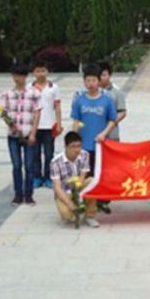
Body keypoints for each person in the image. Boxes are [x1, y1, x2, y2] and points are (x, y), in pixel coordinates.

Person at [1, 63, 41, 205]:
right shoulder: (8, 94)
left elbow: (37, 114)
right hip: (13, 136)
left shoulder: (34, 93)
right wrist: (10, 124)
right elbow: (3, 112)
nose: (17, 78)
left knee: (29, 166)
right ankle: (18, 194)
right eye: (15, 75)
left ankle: (29, 194)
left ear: (25, 76)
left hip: (28, 134)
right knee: (16, 165)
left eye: (20, 75)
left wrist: (33, 134)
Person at [72, 63, 117, 175]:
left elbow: (113, 120)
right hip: (83, 146)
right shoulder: (79, 100)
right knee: (84, 175)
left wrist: (103, 134)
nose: (91, 83)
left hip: (101, 144)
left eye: (94, 80)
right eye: (88, 80)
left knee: (100, 174)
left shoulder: (107, 100)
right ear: (84, 81)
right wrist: (74, 140)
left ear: (99, 81)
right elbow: (75, 121)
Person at [50, 131, 99, 228]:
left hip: (78, 186)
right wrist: (69, 203)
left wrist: (78, 194)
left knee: (92, 181)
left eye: (79, 146)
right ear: (66, 147)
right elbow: (57, 187)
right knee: (66, 215)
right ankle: (74, 213)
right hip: (64, 192)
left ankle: (90, 215)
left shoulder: (85, 155)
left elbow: (82, 176)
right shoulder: (55, 162)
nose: (77, 150)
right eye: (73, 146)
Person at [97, 61, 127, 214]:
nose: (102, 78)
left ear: (109, 75)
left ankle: (105, 199)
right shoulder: (89, 91)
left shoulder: (116, 92)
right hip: (94, 137)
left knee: (109, 168)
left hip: (111, 136)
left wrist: (111, 121)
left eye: (104, 74)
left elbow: (122, 111)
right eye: (100, 75)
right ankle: (95, 198)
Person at [32, 59, 62, 189]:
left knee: (49, 154)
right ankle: (37, 177)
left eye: (43, 70)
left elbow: (57, 107)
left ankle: (48, 178)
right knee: (35, 153)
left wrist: (59, 123)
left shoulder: (54, 88)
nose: (40, 73)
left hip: (49, 126)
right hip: (34, 127)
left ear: (47, 71)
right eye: (38, 71)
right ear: (34, 72)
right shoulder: (29, 87)